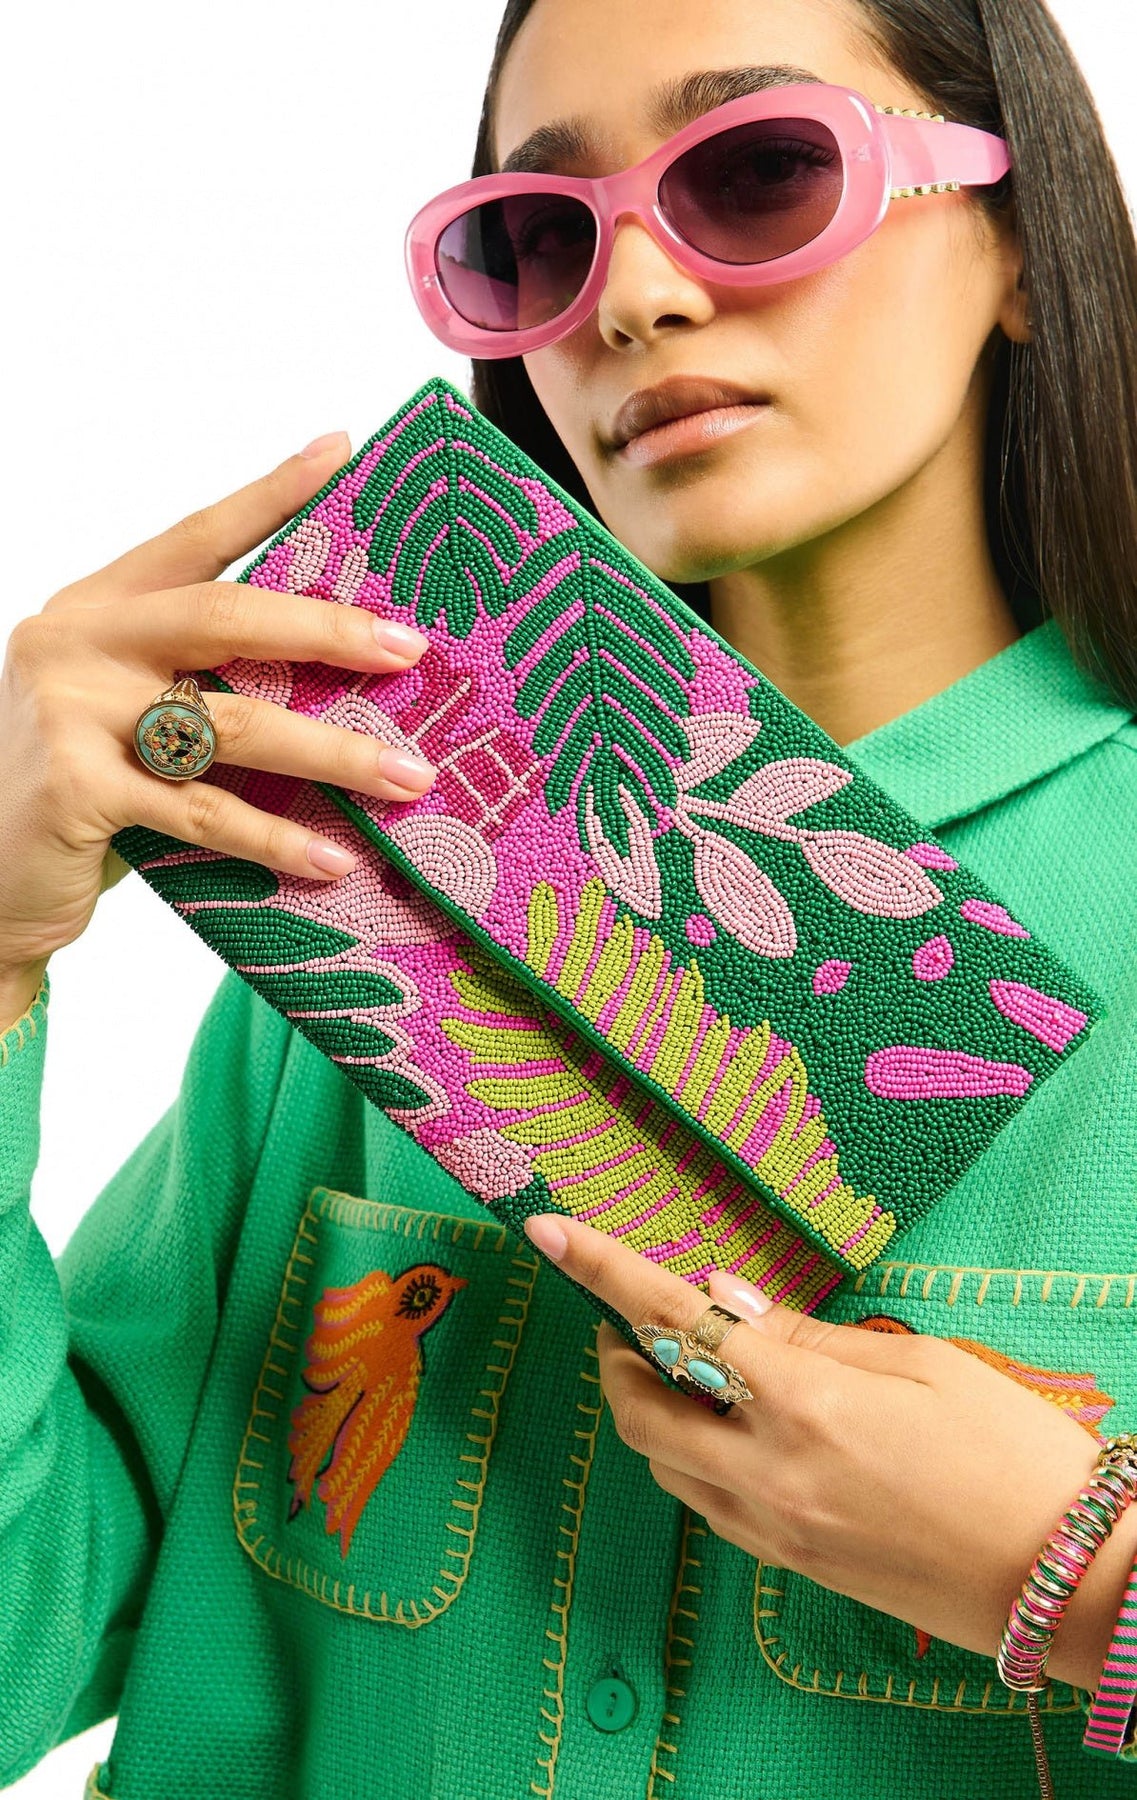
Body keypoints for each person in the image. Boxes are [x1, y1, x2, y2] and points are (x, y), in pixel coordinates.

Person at [2, 0, 1136, 1795]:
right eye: (537, 237)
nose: (633, 299)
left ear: (1013, 239)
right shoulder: (364, 892)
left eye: (759, 174)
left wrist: (1080, 1581)